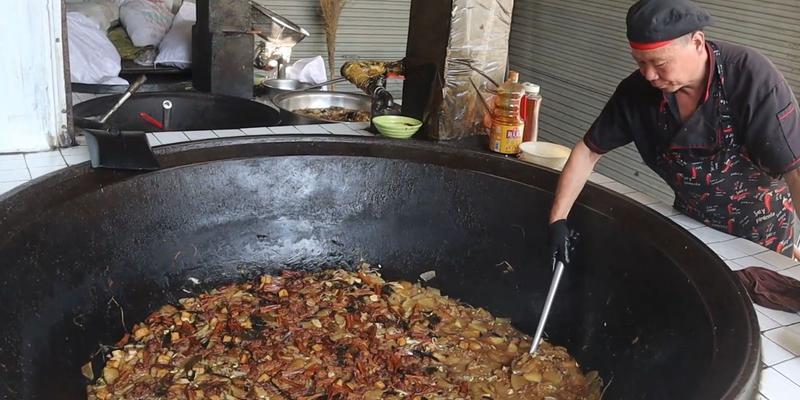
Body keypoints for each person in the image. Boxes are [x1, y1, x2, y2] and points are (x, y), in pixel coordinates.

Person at [548, 0, 800, 265]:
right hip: (691, 227)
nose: (649, 74)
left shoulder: (751, 78)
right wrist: (558, 219)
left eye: (660, 62)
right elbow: (588, 151)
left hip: (761, 237)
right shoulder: (637, 91)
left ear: (697, 43)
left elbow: (795, 170)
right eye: (640, 62)